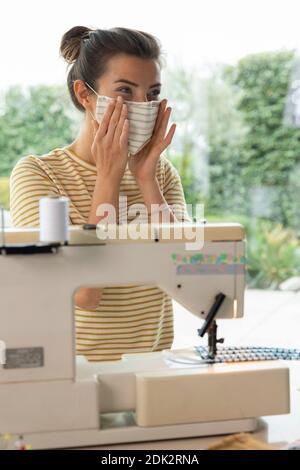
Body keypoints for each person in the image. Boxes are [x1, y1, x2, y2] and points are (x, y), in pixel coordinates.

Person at [10, 26, 191, 362]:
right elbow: (84, 293)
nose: (143, 105)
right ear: (85, 95)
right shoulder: (37, 175)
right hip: (74, 372)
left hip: (152, 367)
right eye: (125, 90)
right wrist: (108, 178)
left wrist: (145, 179)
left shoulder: (160, 174)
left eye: (152, 94)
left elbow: (186, 274)